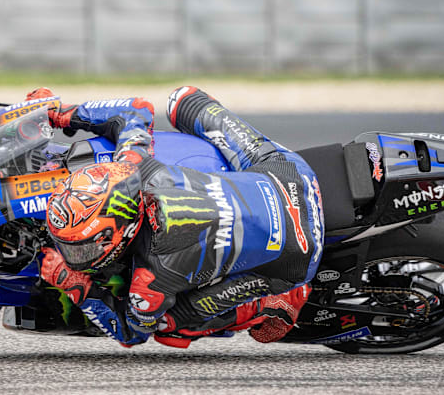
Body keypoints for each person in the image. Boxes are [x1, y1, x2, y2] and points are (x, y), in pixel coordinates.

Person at [33, 86, 324, 347]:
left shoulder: (150, 278)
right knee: (182, 99)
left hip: (297, 257)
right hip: (291, 177)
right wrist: (60, 114)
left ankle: (273, 304)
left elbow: (130, 331)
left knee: (168, 327)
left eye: (81, 247)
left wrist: (73, 282)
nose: (74, 254)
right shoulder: (138, 166)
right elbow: (137, 108)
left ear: (121, 231)